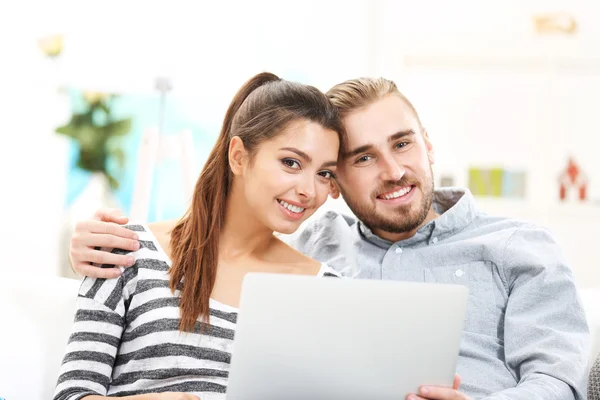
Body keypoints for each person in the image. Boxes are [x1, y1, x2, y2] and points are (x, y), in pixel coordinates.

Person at [69, 77, 590, 400]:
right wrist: (86, 245)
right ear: (339, 182)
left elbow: (560, 382)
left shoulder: (520, 247)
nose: (392, 171)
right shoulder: (319, 244)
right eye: (363, 157)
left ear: (427, 144)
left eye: (403, 144)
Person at [53, 72, 349, 400]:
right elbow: (72, 395)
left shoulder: (326, 291)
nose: (309, 190)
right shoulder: (126, 252)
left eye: (324, 173)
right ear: (238, 156)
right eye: (291, 162)